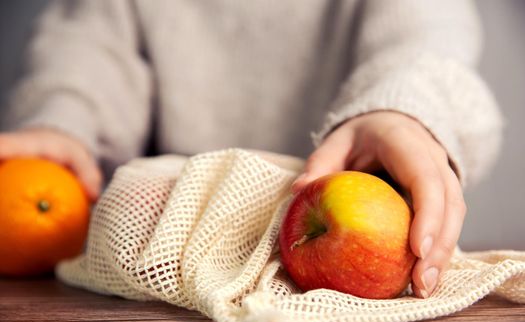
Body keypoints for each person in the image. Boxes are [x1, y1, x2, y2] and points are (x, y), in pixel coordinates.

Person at [0, 0, 503, 299]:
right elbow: (89, 44)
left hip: (352, 286)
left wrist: (402, 110)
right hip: (179, 267)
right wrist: (64, 123)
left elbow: (425, 37)